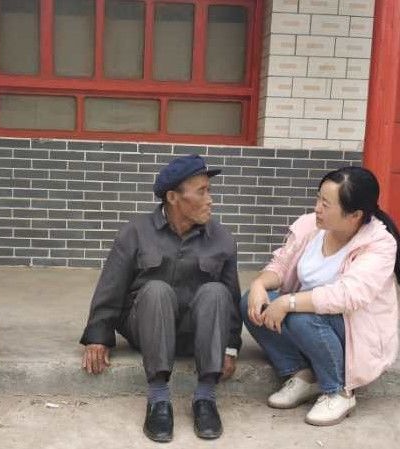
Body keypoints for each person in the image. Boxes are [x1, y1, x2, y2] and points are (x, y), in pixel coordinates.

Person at [79, 154, 241, 442]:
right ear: (173, 197)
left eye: (209, 191)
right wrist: (98, 337)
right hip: (146, 328)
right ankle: (158, 399)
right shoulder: (135, 232)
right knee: (156, 289)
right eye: (202, 191)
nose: (210, 199)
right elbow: (111, 287)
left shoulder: (222, 239)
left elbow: (232, 301)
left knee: (216, 291)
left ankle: (205, 398)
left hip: (195, 334)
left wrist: (229, 347)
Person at [241, 166, 400, 426]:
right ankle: (303, 375)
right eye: (318, 199)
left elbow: (347, 295)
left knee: (300, 316)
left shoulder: (379, 244)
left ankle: (339, 392)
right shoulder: (311, 226)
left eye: (326, 205)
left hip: (354, 333)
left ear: (355, 215)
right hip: (313, 325)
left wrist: (288, 302)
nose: (317, 209)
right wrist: (259, 284)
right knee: (251, 301)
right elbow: (281, 265)